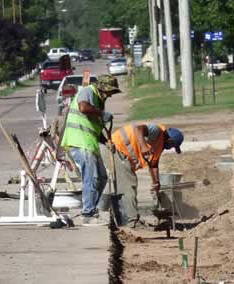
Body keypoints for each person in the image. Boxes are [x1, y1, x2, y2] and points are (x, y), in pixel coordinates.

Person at [60, 74, 121, 226]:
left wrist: (107, 141)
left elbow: (96, 129)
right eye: (109, 92)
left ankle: (90, 208)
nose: (110, 95)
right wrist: (102, 113)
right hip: (79, 142)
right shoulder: (88, 91)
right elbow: (83, 107)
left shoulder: (98, 104)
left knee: (102, 178)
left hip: (90, 144)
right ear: (102, 88)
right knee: (92, 178)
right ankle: (88, 214)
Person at [100, 123, 184, 227]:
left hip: (122, 154)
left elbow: (153, 164)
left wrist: (156, 183)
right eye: (172, 146)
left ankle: (101, 211)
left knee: (123, 184)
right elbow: (138, 128)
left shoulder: (160, 144)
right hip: (115, 148)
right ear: (170, 140)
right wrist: (144, 146)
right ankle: (132, 220)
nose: (170, 148)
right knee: (128, 184)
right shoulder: (156, 131)